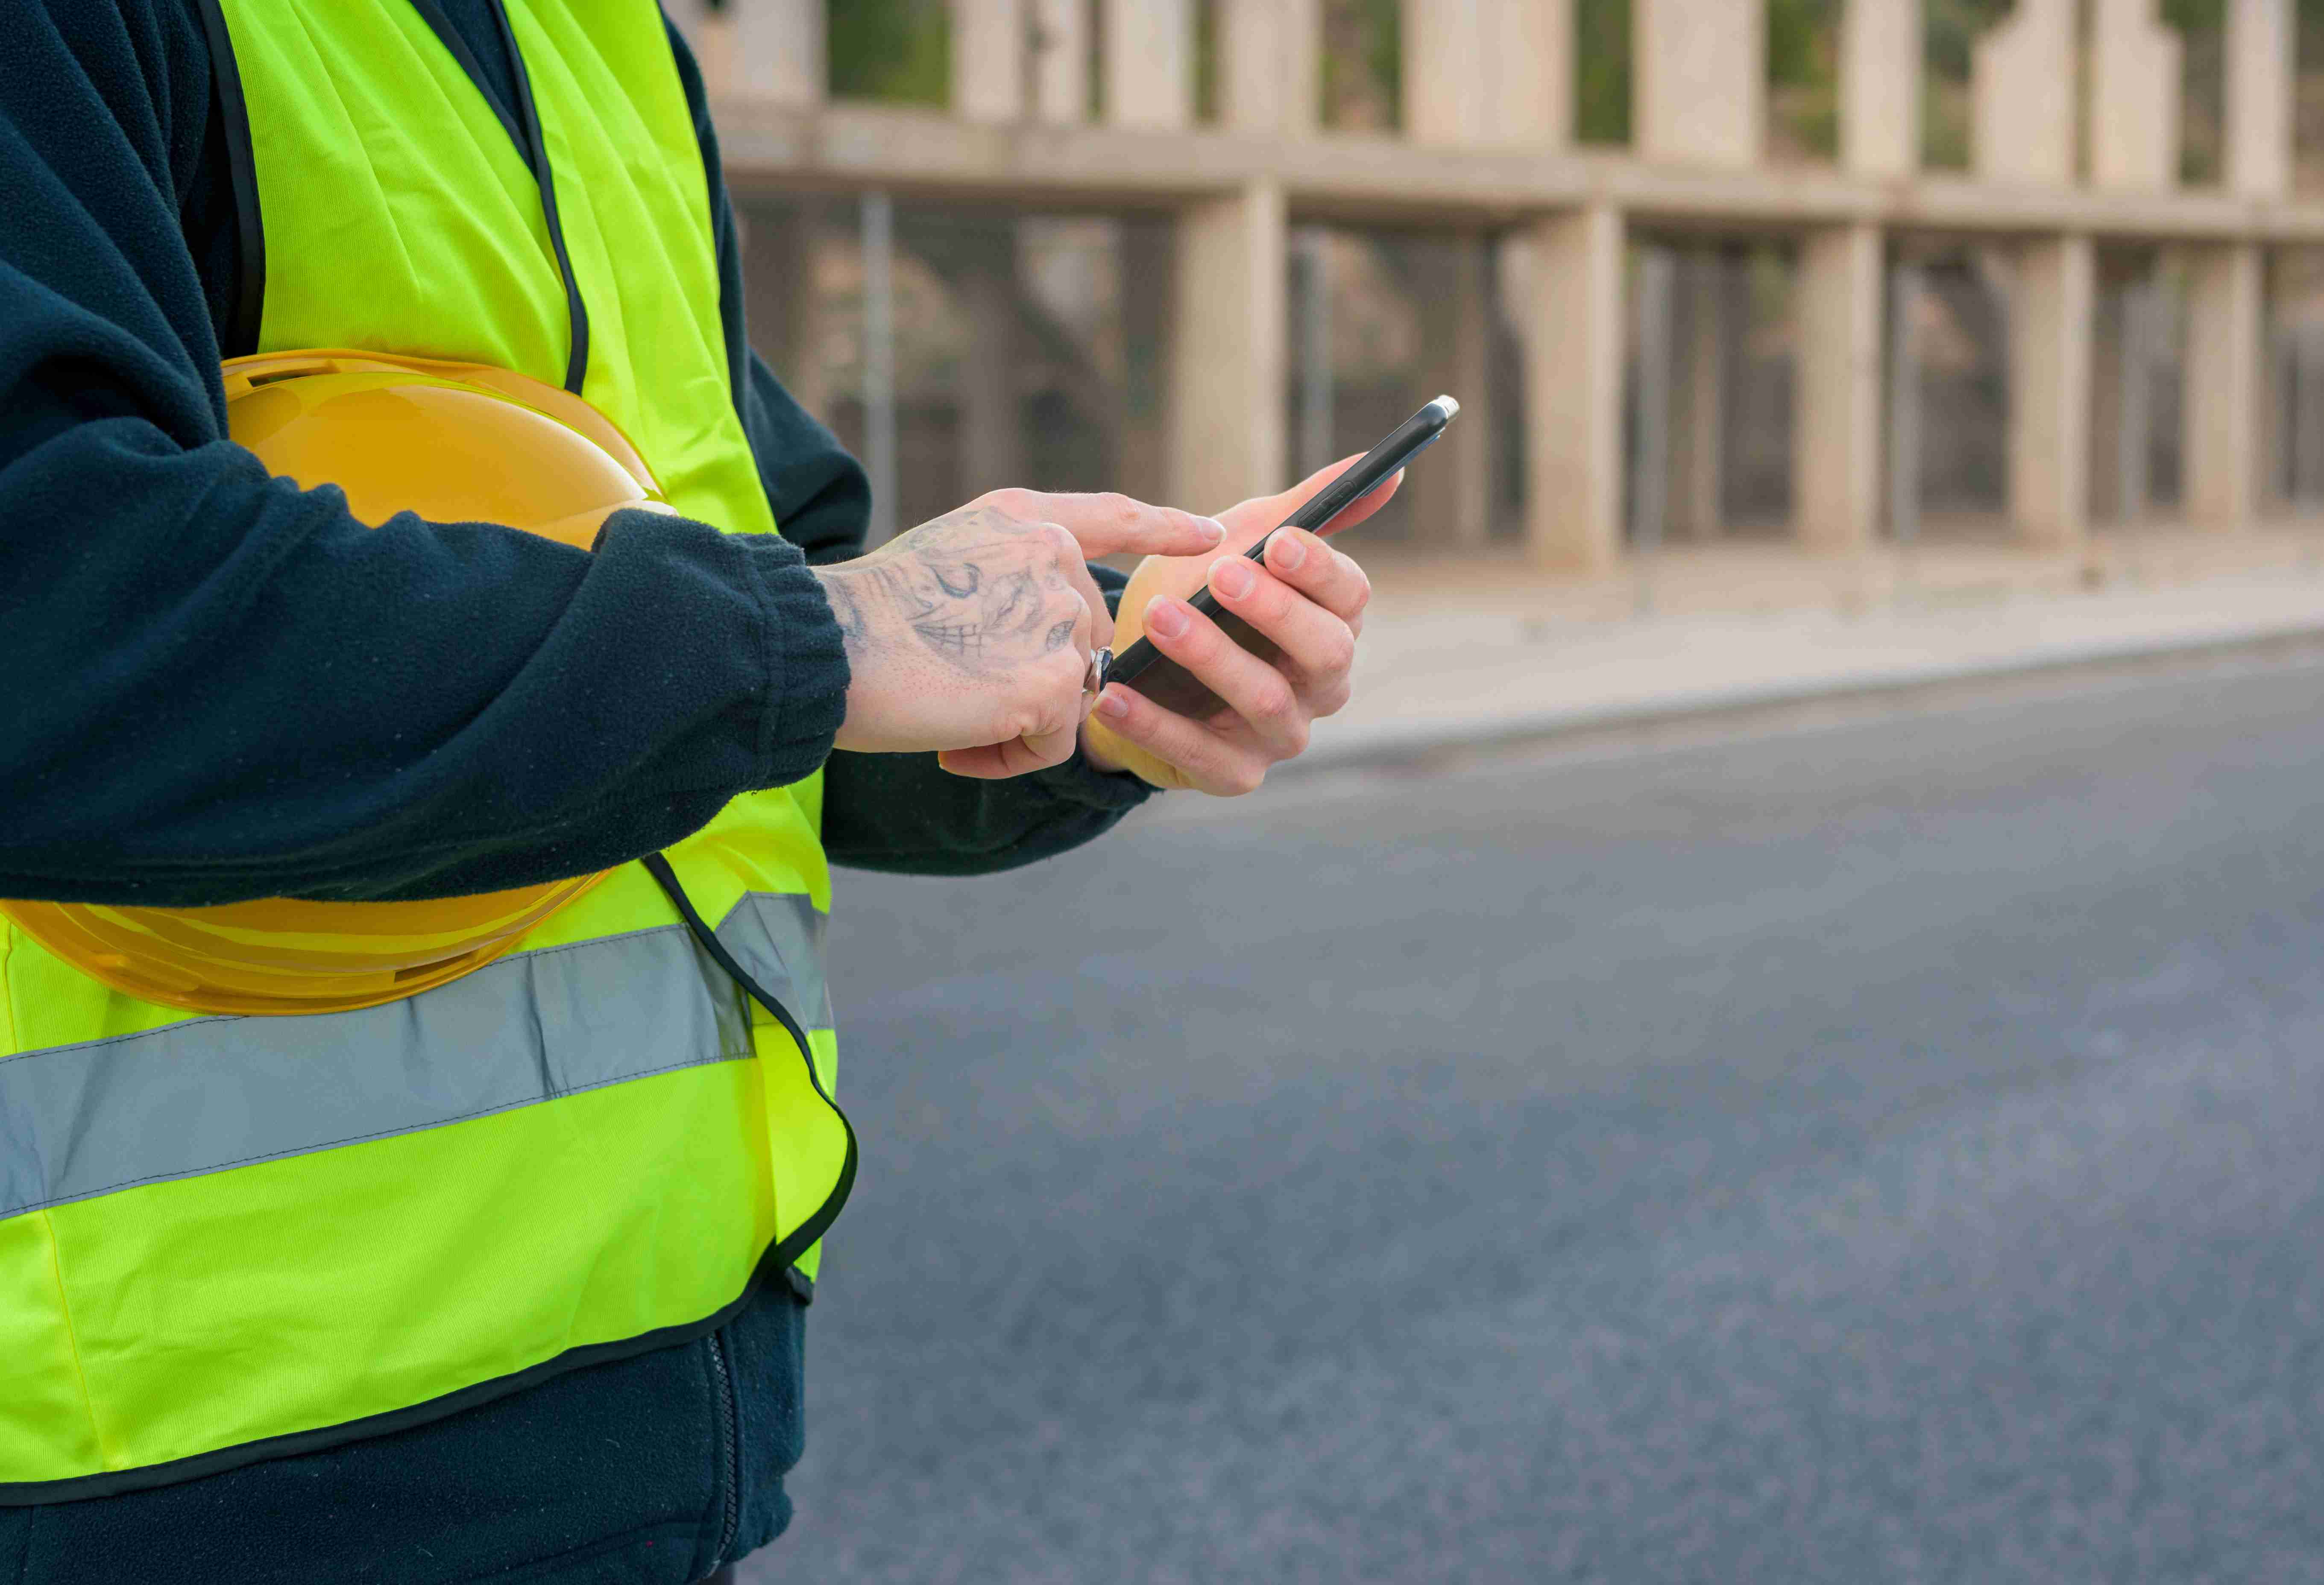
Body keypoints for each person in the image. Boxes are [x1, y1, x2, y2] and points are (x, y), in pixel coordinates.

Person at [0, 3, 1385, 1581]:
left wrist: (1087, 705)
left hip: (658, 1394)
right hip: (189, 1447)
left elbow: (756, 676)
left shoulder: (602, 36)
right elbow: (47, 605)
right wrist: (835, 635)